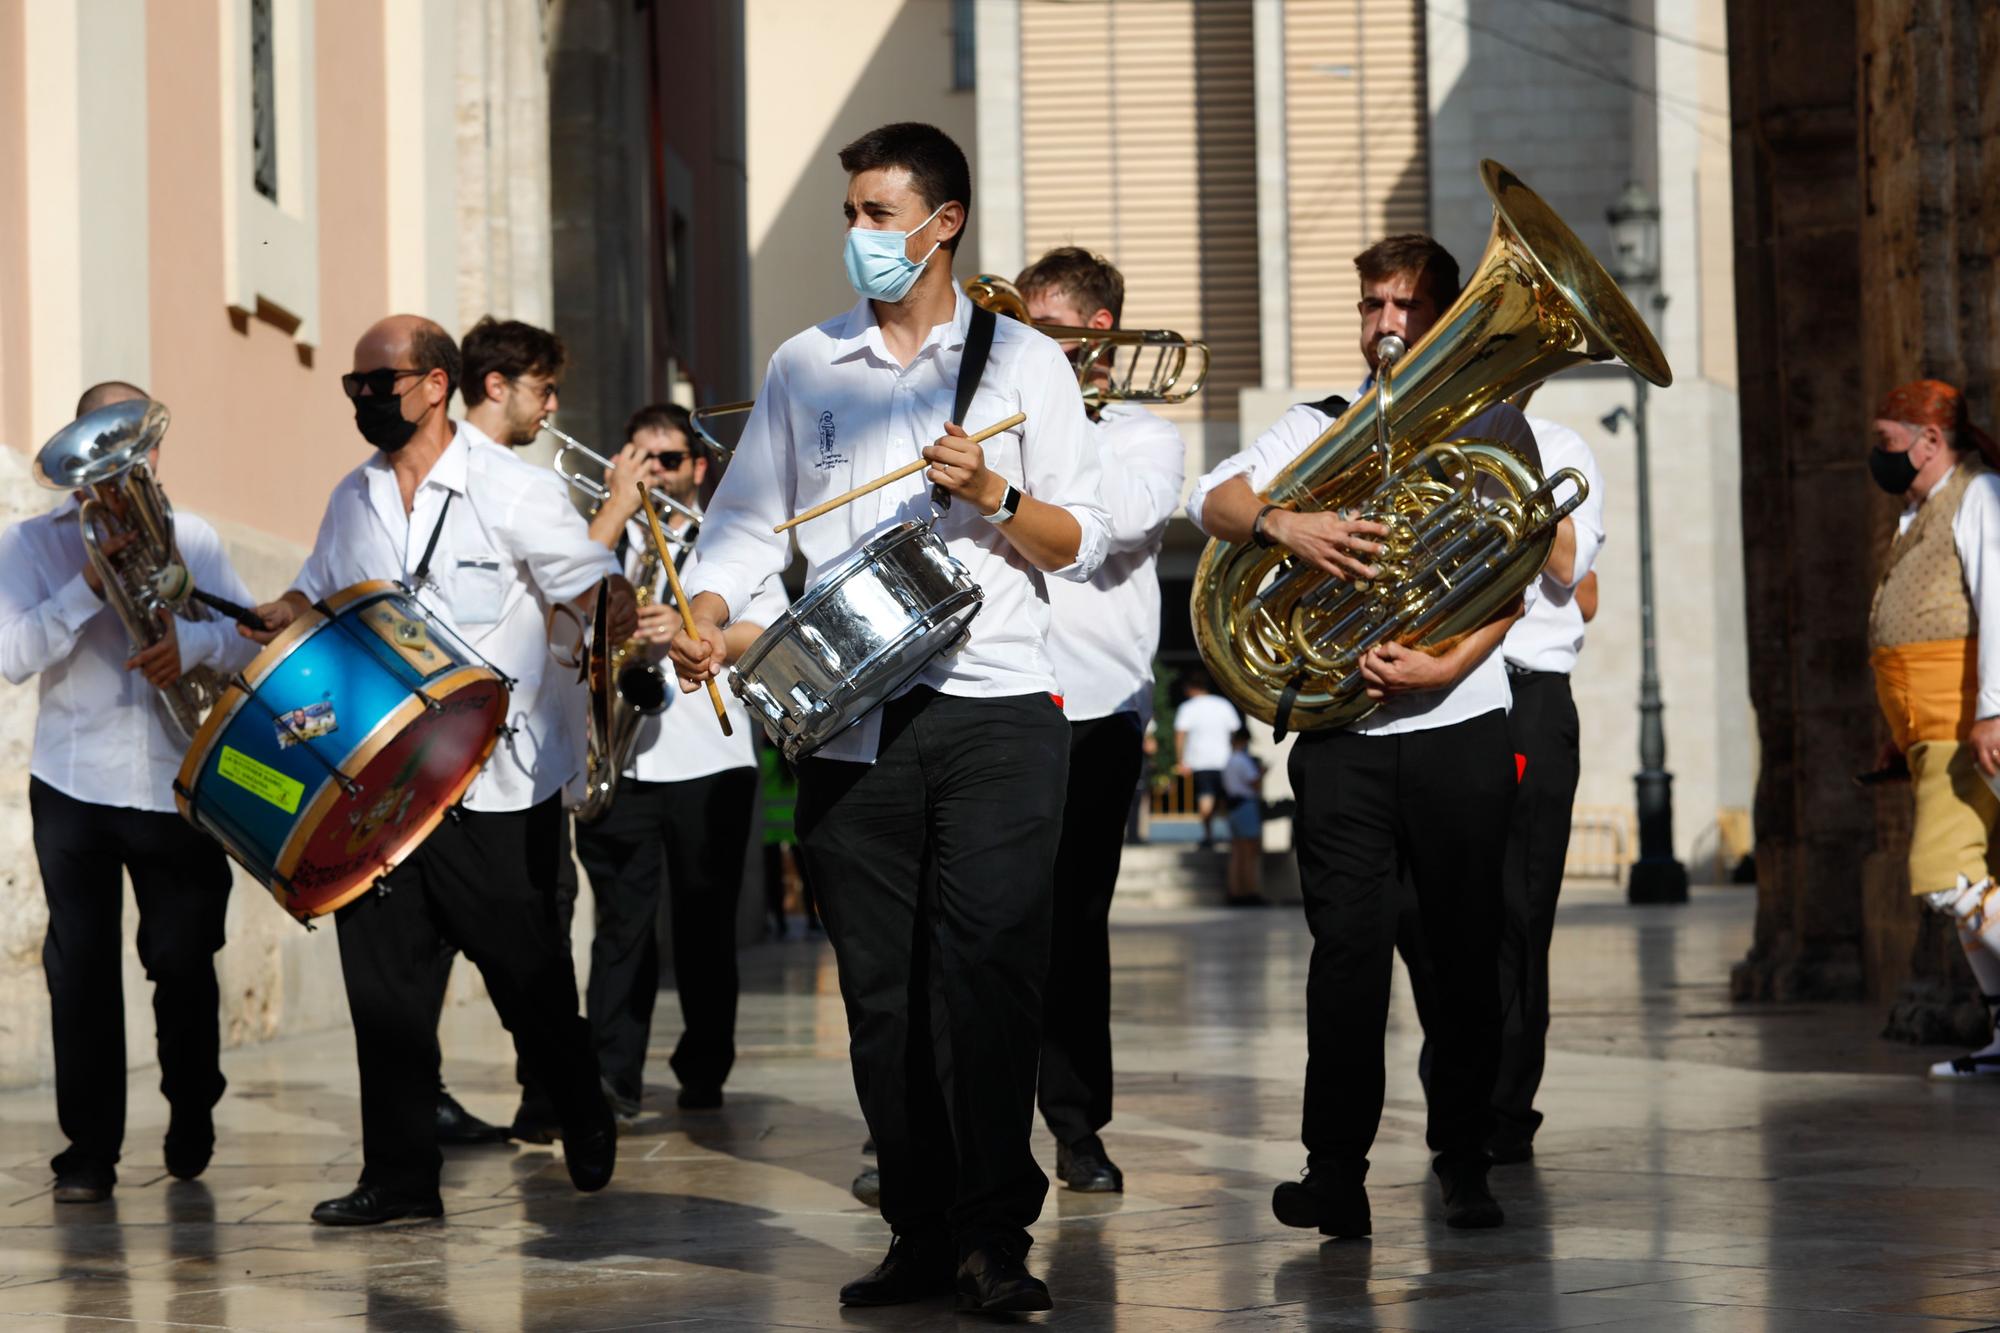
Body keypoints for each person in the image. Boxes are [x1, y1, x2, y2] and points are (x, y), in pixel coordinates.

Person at [667, 122, 1108, 1313]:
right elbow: (749, 528)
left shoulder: (1025, 364)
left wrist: (995, 492)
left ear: (942, 222)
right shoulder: (805, 366)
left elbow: (1082, 540)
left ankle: (994, 1234)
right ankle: (918, 1229)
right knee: (879, 993)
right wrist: (706, 609)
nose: (859, 234)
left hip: (996, 711)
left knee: (991, 976)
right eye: (852, 214)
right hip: (851, 718)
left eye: (877, 212)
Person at [1187, 232, 1540, 1237]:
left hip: (1457, 725)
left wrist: (1444, 663)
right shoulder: (1316, 426)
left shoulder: (1496, 425)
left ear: (1446, 319)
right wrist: (1281, 527)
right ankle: (1331, 1169)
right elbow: (1211, 499)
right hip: (1342, 739)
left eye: (1409, 307)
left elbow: (1510, 578)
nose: (1388, 323)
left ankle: (1464, 1159)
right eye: (1375, 306)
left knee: (1461, 958)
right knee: (1342, 955)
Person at [245, 315, 632, 1225]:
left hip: (496, 777)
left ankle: (576, 1093)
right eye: (354, 386)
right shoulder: (354, 497)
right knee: (385, 984)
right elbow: (322, 586)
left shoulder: (511, 488)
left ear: (434, 384)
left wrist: (622, 613)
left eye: (379, 383)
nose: (364, 399)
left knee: (523, 968)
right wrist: (282, 610)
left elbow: (587, 576)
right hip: (383, 780)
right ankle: (402, 1178)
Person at [0, 381, 259, 1204]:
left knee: (182, 959)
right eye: (101, 451)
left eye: (133, 446)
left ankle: (191, 1101)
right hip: (72, 779)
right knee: (78, 967)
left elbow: (250, 640)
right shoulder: (30, 545)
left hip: (175, 774)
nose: (118, 468)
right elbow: (11, 655)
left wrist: (194, 644)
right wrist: (85, 583)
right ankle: (89, 1151)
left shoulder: (197, 537)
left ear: (153, 448)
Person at [1014, 245, 1186, 1195]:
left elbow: (1106, 528)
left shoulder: (1143, 436)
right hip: (1002, 697)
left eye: (1042, 331)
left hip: (1096, 712)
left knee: (1075, 925)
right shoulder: (1007, 424)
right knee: (982, 921)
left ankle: (1077, 1126)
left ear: (1098, 337)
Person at [575, 402, 788, 1118]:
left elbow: (770, 623)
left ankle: (704, 1065)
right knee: (621, 922)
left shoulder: (731, 538)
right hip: (624, 756)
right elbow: (563, 620)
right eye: (639, 458)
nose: (653, 473)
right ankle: (613, 1073)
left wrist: (699, 625)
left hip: (711, 757)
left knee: (703, 922)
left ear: (697, 468)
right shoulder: (601, 539)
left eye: (667, 460)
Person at [419, 313, 576, 1146]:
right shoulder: (482, 481)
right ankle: (548, 1091)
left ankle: (556, 1090)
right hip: (457, 762)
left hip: (516, 764)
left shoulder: (516, 483)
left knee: (528, 936)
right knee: (491, 938)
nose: (551, 407)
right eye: (542, 389)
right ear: (496, 385)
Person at [1862, 380, 2000, 1078]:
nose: (1877, 457)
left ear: (1930, 441)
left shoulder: (1978, 496)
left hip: (1962, 722)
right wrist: (1898, 729)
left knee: (1948, 876)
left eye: (1886, 442)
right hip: (1930, 729)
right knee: (1978, 878)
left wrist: (1994, 708)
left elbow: (1998, 599)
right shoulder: (1916, 513)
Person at [1487, 415, 1607, 1162]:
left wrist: (1500, 468)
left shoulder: (1558, 447)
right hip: (1426, 697)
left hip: (1524, 695)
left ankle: (1500, 1108)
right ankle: (1461, 1080)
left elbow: (1573, 575)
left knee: (1517, 915)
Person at [1173, 673, 1240, 850]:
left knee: (1206, 796)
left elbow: (1180, 735)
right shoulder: (1223, 705)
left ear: (1189, 689)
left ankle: (1208, 836)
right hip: (1225, 760)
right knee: (1227, 798)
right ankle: (1233, 835)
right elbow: (1235, 731)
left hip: (1200, 760)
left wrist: (1181, 760)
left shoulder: (1187, 708)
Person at [1222, 731, 1266, 905]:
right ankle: (1249, 891)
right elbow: (1254, 783)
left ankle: (1235, 891)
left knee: (1237, 852)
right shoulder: (1242, 761)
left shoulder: (1229, 761)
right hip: (1245, 805)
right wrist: (1262, 773)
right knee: (1249, 852)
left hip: (1233, 807)